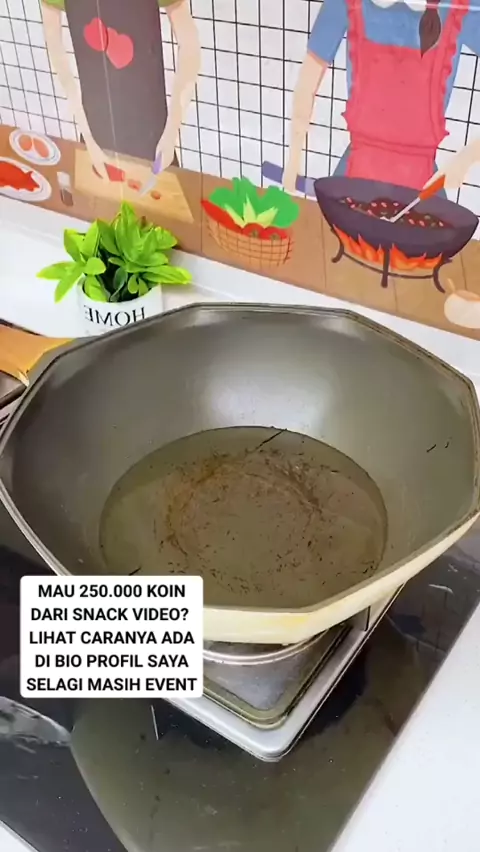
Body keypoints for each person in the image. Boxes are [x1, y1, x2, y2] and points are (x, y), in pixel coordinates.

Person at [283, 0, 480, 194]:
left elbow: (307, 84)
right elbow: (306, 85)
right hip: (355, 174)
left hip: (420, 185)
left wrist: (466, 158)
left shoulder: (460, 7)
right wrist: (293, 160)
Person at [41, 0, 200, 179]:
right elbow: (54, 47)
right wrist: (86, 132)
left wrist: (171, 132)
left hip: (151, 135)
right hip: (97, 131)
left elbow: (189, 45)